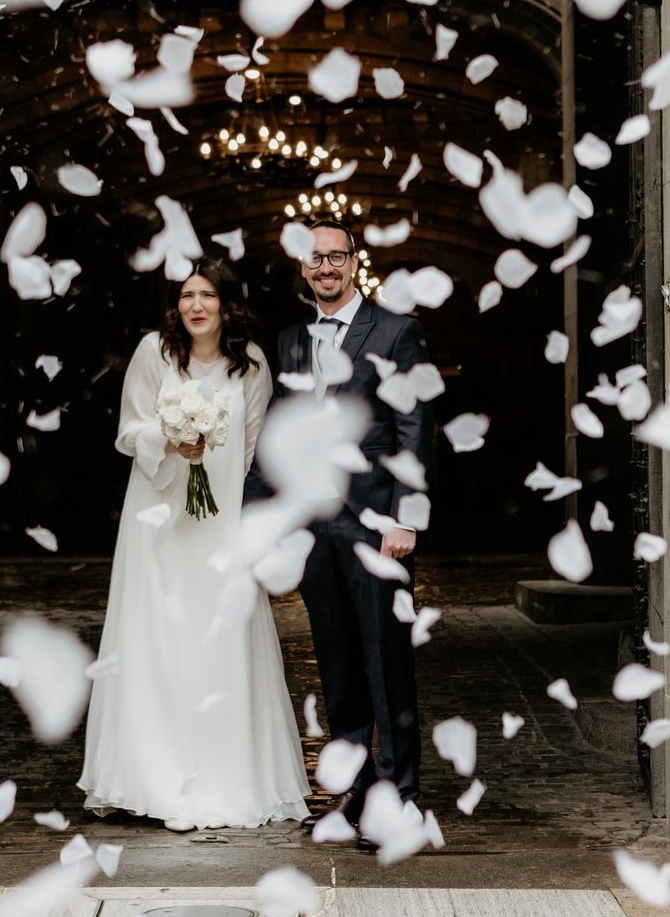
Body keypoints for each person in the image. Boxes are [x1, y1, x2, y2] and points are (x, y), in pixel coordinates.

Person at [77, 258, 310, 831]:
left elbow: (256, 449)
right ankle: (154, 779)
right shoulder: (154, 351)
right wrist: (173, 435)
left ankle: (224, 778)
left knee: (217, 640)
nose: (196, 305)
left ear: (229, 304)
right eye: (187, 295)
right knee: (158, 640)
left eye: (208, 295)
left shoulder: (251, 363)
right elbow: (128, 432)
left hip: (220, 522)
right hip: (158, 519)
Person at [268, 217, 433, 838]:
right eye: (315, 259)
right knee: (337, 667)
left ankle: (402, 795)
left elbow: (414, 427)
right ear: (303, 268)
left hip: (377, 525)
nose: (326, 268)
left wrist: (405, 518)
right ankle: (358, 793)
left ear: (354, 261)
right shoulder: (289, 341)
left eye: (336, 257)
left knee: (387, 661)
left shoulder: (397, 332)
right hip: (314, 532)